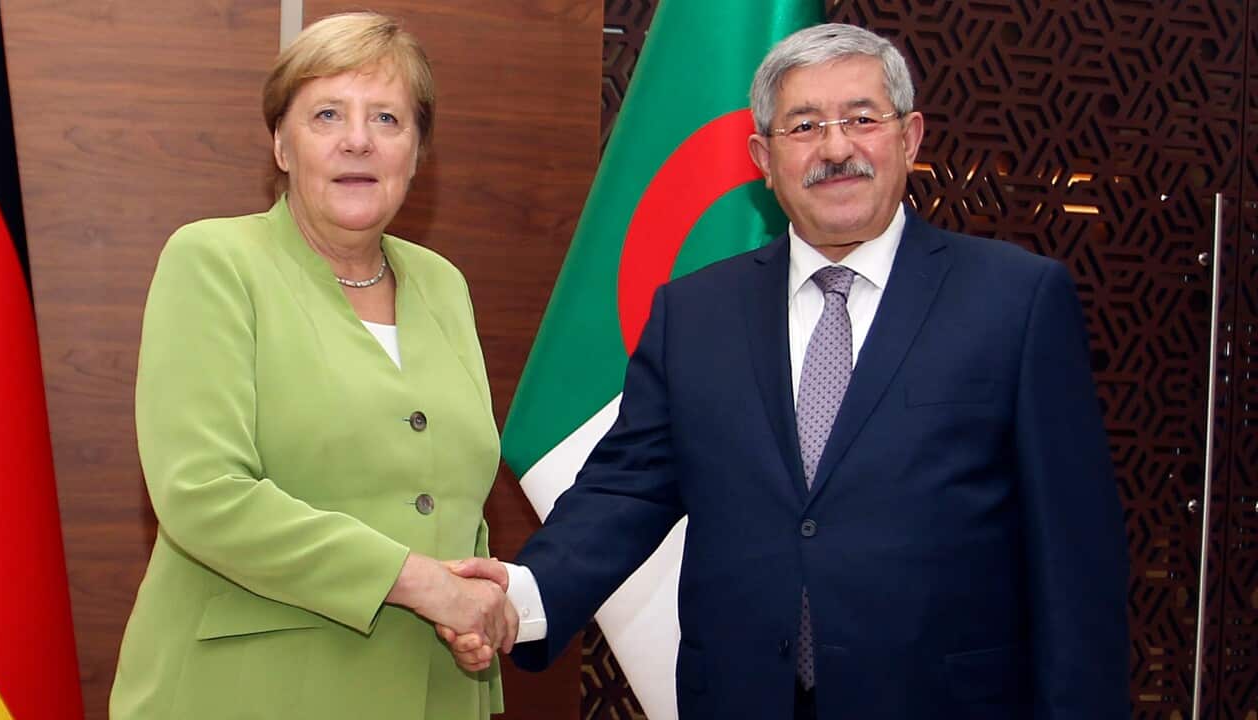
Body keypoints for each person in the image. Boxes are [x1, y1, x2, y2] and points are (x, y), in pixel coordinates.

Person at [445, 22, 1130, 720]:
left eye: (863, 119)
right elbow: (624, 495)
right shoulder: (695, 314)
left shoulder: (1016, 301)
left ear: (910, 137)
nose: (836, 148)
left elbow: (1076, 563)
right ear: (762, 158)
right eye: (804, 127)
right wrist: (518, 600)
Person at [110, 12, 517, 719]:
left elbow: (447, 484)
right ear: (281, 144)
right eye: (327, 114)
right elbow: (203, 492)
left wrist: (476, 602)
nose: (357, 139)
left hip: (432, 692)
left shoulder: (442, 283)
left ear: (417, 152)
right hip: (248, 693)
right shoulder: (213, 261)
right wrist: (422, 583)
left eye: (387, 118)